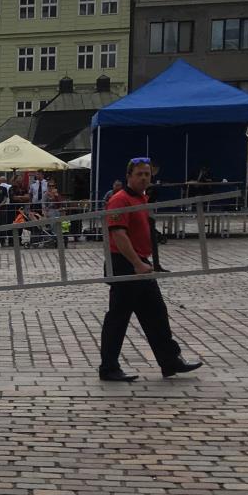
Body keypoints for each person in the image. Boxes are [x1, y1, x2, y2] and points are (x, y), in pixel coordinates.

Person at [98, 159, 202, 383]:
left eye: (147, 174)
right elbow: (118, 234)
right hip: (124, 263)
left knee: (156, 314)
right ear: (129, 176)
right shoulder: (120, 200)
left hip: (139, 263)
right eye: (139, 174)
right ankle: (108, 367)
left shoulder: (140, 198)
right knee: (118, 317)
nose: (144, 178)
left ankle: (169, 361)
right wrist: (137, 263)